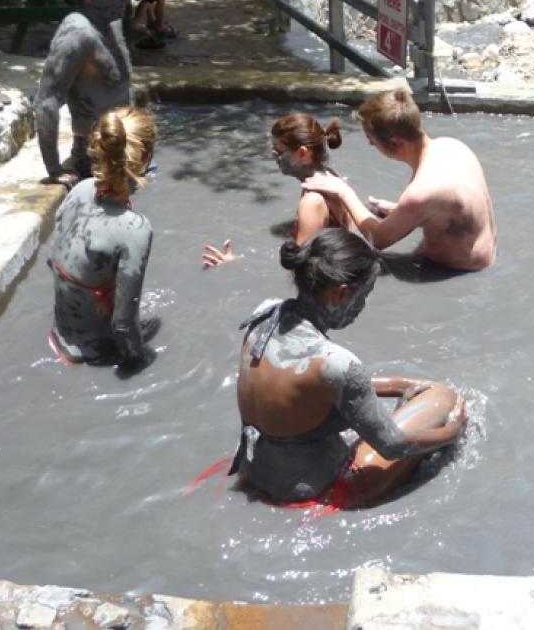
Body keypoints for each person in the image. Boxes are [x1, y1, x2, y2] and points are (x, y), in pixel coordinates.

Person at [231, 229, 467, 508]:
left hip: (255, 470)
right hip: (319, 489)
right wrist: (453, 429)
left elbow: (307, 385)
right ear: (340, 293)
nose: (363, 305)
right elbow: (391, 445)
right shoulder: (338, 362)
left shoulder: (265, 315)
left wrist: (398, 385)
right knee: (442, 397)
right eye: (364, 295)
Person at [300, 88, 498, 272]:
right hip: (485, 254)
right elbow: (453, 210)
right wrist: (399, 211)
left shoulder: (422, 192)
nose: (369, 143)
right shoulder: (452, 146)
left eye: (372, 138)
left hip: (456, 272)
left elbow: (377, 239)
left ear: (395, 142)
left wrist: (343, 191)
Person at [47, 106, 159, 369]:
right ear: (145, 158)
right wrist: (138, 363)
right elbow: (123, 325)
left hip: (57, 336)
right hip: (93, 355)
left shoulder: (79, 190)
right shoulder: (134, 228)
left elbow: (52, 261)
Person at [200, 113, 358, 268]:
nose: (275, 158)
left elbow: (301, 267)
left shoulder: (312, 201)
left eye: (279, 153)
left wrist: (237, 263)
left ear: (303, 153)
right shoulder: (330, 178)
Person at [35, 0, 132, 186]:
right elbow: (46, 102)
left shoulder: (112, 23)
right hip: (94, 159)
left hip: (122, 150)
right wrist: (54, 169)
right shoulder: (78, 33)